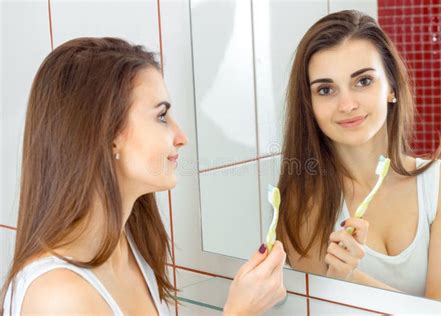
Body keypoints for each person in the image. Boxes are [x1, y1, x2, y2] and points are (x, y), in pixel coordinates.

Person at [1, 37, 287, 315]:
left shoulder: (127, 245)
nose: (181, 137)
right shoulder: (57, 298)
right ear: (108, 135)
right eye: (161, 116)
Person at [276, 10, 441, 304]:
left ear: (391, 86)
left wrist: (353, 277)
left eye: (363, 81)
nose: (347, 104)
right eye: (326, 90)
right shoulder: (302, 202)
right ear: (309, 105)